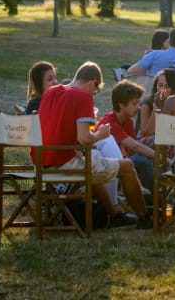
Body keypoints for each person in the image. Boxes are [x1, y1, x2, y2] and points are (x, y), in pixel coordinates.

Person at [36, 61, 151, 229]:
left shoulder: (51, 92)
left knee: (93, 161)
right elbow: (84, 139)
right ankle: (145, 218)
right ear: (91, 83)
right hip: (66, 165)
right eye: (95, 89)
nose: (93, 93)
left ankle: (115, 213)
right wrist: (100, 135)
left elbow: (55, 130)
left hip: (43, 162)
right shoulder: (83, 96)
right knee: (127, 166)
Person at [97, 80, 155, 193]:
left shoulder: (127, 120)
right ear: (121, 104)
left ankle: (151, 197)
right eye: (134, 104)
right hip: (105, 165)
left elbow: (133, 149)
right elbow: (136, 147)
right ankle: (153, 202)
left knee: (145, 160)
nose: (138, 107)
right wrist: (160, 157)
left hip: (121, 162)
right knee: (142, 161)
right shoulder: (110, 123)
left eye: (139, 103)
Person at [136, 69, 174, 146]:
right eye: (160, 85)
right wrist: (157, 108)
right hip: (146, 145)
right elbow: (146, 133)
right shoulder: (147, 103)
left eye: (167, 86)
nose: (162, 90)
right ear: (155, 85)